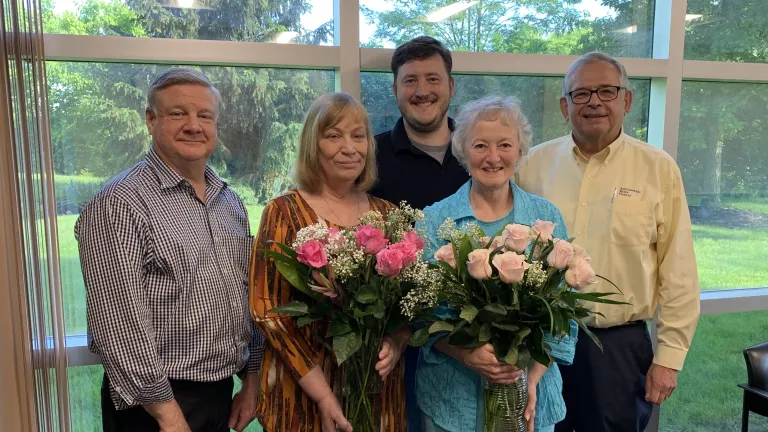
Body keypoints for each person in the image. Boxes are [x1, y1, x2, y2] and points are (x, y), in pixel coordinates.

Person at [517, 52, 700, 432]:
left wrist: (669, 357)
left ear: (626, 100)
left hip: (616, 349)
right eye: (581, 94)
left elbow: (678, 269)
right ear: (564, 106)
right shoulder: (531, 166)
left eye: (606, 91)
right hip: (540, 342)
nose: (595, 102)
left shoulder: (658, 168)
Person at [75, 68, 264, 432]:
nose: (194, 125)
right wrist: (168, 415)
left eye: (205, 116)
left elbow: (246, 295)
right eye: (178, 113)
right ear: (150, 119)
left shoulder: (230, 202)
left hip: (219, 391)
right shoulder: (120, 203)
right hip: (154, 405)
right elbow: (118, 323)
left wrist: (251, 378)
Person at [249, 92, 409, 432]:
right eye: (333, 135)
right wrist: (323, 396)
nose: (349, 148)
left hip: (375, 392)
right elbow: (268, 312)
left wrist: (395, 343)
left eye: (358, 135)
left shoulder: (389, 215)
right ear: (313, 144)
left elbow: (406, 307)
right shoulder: (283, 212)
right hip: (303, 393)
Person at [417, 96, 578, 432]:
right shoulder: (434, 220)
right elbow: (421, 317)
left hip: (531, 398)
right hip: (452, 399)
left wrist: (531, 377)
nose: (493, 157)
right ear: (463, 151)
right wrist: (465, 354)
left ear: (520, 151)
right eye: (480, 145)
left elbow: (565, 315)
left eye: (505, 144)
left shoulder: (545, 219)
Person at [370, 36, 469, 432]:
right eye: (410, 81)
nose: (422, 91)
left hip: (471, 336)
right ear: (395, 89)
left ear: (451, 86)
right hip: (396, 339)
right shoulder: (370, 158)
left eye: (433, 79)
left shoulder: (480, 153)